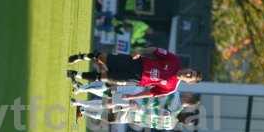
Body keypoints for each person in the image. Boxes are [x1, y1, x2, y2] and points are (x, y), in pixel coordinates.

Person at [67, 47, 201, 98]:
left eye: (191, 77)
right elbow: (155, 51)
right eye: (191, 72)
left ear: (188, 82)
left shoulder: (171, 88)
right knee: (102, 58)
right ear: (189, 69)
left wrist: (132, 97)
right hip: (137, 63)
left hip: (136, 79)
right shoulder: (174, 60)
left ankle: (75, 74)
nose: (189, 74)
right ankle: (80, 57)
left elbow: (150, 93)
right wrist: (140, 52)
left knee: (103, 77)